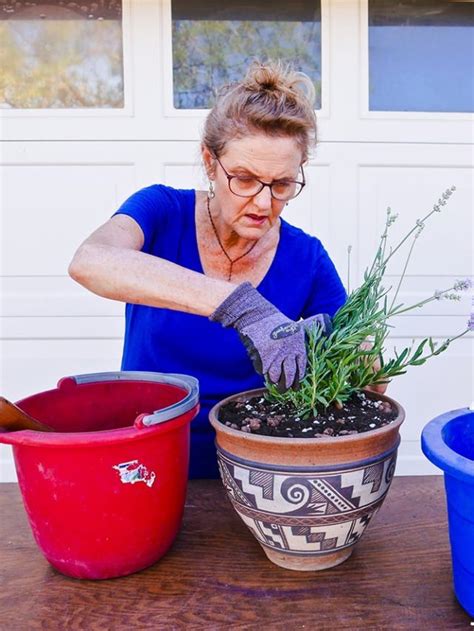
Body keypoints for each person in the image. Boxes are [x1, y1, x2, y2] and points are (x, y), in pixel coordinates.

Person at [68, 60, 350, 479]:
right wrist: (244, 308)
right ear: (209, 162)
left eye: (282, 185)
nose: (261, 202)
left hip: (256, 470)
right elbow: (90, 262)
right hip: (146, 459)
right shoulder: (162, 212)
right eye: (243, 178)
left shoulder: (306, 258)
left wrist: (326, 344)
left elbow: (367, 374)